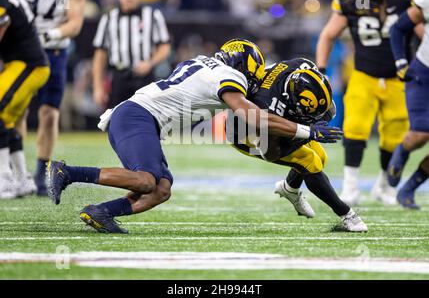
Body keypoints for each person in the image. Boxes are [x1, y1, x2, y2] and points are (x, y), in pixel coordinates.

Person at [47, 39, 343, 234]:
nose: (251, 83)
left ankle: (100, 212)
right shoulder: (229, 76)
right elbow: (252, 115)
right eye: (250, 76)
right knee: (147, 180)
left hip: (141, 119)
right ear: (243, 67)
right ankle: (68, 171)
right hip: (138, 116)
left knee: (162, 189)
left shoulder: (202, 63)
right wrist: (307, 130)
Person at [229, 58, 367, 232]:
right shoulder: (266, 103)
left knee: (321, 158)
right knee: (309, 161)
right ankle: (348, 215)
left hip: (277, 120)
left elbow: (328, 110)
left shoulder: (304, 66)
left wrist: (306, 126)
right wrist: (306, 131)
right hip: (246, 132)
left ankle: (289, 188)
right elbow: (270, 152)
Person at [316, 0, 420, 206]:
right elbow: (328, 35)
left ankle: (384, 186)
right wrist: (321, 70)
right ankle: (350, 187)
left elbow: (423, 32)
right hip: (364, 75)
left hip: (399, 77)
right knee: (355, 127)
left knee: (395, 135)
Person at [17, 0, 90, 196]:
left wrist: (46, 36)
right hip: (20, 50)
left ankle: (41, 172)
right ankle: (17, 172)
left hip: (53, 51)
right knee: (17, 110)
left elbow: (74, 24)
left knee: (49, 113)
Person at [0, 0, 50, 199]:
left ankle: (4, 179)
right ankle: (22, 179)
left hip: (28, 64)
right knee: (6, 119)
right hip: (23, 63)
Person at [92, 0, 171, 110]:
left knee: (148, 117)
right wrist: (97, 86)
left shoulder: (152, 15)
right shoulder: (109, 18)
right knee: (116, 119)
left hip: (145, 77)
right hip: (119, 76)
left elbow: (164, 47)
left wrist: (150, 63)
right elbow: (100, 55)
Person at [388, 0, 429, 209]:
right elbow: (398, 29)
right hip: (425, 74)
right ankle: (402, 151)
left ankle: (409, 189)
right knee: (421, 134)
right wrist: (400, 61)